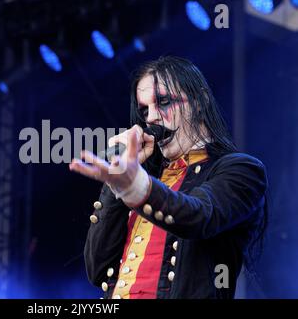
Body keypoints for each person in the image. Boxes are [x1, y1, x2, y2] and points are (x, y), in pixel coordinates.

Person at [69, 56, 268, 299]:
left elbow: (198, 216)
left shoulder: (242, 170)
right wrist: (116, 181)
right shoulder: (150, 178)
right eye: (144, 110)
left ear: (199, 101)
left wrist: (135, 186)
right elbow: (97, 268)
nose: (151, 117)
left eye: (163, 102)